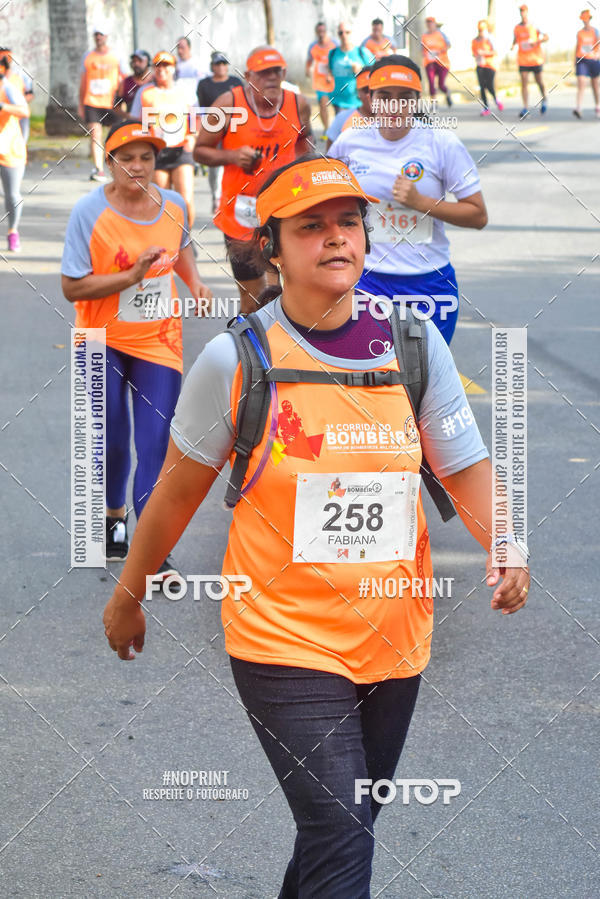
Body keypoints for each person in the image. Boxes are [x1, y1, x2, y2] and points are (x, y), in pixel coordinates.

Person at [102, 154, 530, 898]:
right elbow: (175, 492)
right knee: (339, 823)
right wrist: (129, 591)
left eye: (348, 222)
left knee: (346, 822)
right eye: (311, 227)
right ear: (274, 246)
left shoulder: (412, 345)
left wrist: (505, 540)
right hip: (281, 636)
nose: (336, 239)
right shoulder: (233, 358)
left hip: (393, 635)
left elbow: (463, 466)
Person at [61, 120, 212, 571]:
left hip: (158, 342)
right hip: (99, 341)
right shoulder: (88, 213)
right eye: (126, 158)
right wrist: (129, 277)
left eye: (146, 157)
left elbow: (181, 248)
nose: (138, 166)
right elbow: (72, 288)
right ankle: (112, 518)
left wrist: (196, 282)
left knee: (156, 443)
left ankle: (152, 550)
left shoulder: (175, 205)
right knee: (109, 441)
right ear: (109, 164)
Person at [330, 55, 488, 345]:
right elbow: (327, 204)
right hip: (367, 279)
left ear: (417, 100)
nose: (394, 106)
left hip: (429, 281)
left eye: (405, 97)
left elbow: (478, 215)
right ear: (370, 98)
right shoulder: (349, 142)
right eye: (384, 96)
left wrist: (421, 202)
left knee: (424, 379)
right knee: (370, 377)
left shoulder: (441, 144)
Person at [193, 46, 313, 313]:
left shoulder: (298, 104)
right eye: (264, 72)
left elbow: (305, 142)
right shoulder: (227, 105)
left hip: (284, 210)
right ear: (248, 76)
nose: (272, 77)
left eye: (277, 71)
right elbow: (200, 151)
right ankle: (250, 351)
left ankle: (285, 350)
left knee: (285, 292)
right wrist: (233, 156)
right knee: (252, 299)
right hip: (241, 215)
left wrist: (304, 174)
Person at [131, 52, 196, 230]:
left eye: (166, 65)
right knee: (162, 199)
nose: (161, 70)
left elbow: (195, 118)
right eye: (157, 66)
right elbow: (135, 122)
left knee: (185, 199)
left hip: (181, 149)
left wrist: (192, 136)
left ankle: (185, 239)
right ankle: (167, 241)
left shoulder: (185, 91)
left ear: (173, 68)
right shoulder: (145, 93)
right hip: (157, 151)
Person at [78, 23, 126, 182]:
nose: (99, 37)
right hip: (92, 101)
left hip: (112, 102)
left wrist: (123, 100)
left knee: (114, 136)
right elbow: (83, 81)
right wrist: (80, 104)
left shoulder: (116, 56)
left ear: (106, 37)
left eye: (101, 34)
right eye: (96, 34)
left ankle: (114, 166)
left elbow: (124, 78)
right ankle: (99, 169)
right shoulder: (87, 56)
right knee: (95, 134)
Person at [196, 51, 243, 213]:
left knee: (234, 163)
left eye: (224, 63)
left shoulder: (236, 82)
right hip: (214, 128)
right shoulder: (205, 84)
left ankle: (232, 196)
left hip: (235, 127)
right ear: (212, 66)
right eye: (218, 64)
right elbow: (203, 108)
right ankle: (216, 196)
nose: (221, 67)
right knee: (215, 166)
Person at [0, 51, 29, 252]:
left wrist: (2, 106)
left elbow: (24, 111)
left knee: (12, 195)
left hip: (9, 148)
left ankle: (13, 231)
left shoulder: (7, 87)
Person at [511, 3, 548, 118]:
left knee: (539, 81)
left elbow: (546, 37)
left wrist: (536, 42)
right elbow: (515, 40)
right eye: (521, 11)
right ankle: (525, 107)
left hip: (535, 59)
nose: (522, 13)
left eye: (524, 11)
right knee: (524, 82)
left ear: (527, 12)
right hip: (523, 59)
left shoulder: (534, 25)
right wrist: (512, 46)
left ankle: (544, 98)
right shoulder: (517, 28)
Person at [328, 23, 374, 114]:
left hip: (358, 102)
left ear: (351, 33)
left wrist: (361, 69)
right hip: (339, 102)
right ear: (338, 34)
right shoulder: (332, 53)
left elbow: (374, 71)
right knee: (342, 128)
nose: (344, 35)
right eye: (341, 33)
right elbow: (330, 71)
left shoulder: (362, 52)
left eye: (347, 32)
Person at [325, 66, 372, 149]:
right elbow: (329, 155)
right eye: (366, 90)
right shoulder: (343, 118)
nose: (370, 95)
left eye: (375, 90)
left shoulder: (392, 122)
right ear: (358, 92)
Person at [305, 22, 338, 131]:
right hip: (320, 80)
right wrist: (307, 70)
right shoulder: (313, 46)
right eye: (319, 32)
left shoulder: (334, 44)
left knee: (337, 105)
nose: (321, 34)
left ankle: (338, 128)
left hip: (334, 80)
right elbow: (309, 60)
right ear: (316, 32)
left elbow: (339, 60)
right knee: (323, 104)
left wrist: (331, 73)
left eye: (323, 31)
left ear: (326, 31)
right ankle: (326, 129)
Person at [0, 48, 34, 142]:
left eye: (7, 56)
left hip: (17, 115)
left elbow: (29, 96)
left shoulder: (20, 75)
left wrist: (18, 102)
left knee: (19, 140)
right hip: (3, 119)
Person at [472, 19, 503, 115]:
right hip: (480, 65)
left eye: (483, 29)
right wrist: (477, 55)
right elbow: (473, 53)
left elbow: (495, 52)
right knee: (482, 86)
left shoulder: (490, 39)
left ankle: (496, 99)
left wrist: (484, 53)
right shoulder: (475, 41)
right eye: (479, 29)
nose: (481, 31)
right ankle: (486, 107)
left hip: (490, 65)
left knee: (489, 85)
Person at [573, 9, 600, 119]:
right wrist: (575, 61)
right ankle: (578, 108)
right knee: (581, 82)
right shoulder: (579, 33)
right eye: (583, 19)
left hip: (593, 60)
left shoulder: (595, 31)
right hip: (582, 60)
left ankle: (598, 106)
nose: (585, 21)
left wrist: (597, 53)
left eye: (586, 19)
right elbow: (577, 46)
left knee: (595, 84)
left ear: (589, 19)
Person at [421, 16, 452, 106]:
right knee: (431, 83)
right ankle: (434, 103)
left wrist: (440, 51)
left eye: (431, 23)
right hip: (430, 62)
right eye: (428, 23)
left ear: (434, 24)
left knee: (441, 85)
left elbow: (449, 45)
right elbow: (422, 49)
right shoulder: (424, 36)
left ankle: (447, 93)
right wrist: (426, 54)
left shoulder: (441, 34)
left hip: (442, 62)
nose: (429, 25)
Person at [174, 36, 206, 107]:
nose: (179, 51)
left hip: (195, 105)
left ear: (189, 47)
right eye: (178, 48)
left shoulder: (199, 63)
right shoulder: (173, 64)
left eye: (182, 48)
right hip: (179, 105)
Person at [117, 49, 152, 113]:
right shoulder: (125, 83)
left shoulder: (155, 81)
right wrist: (128, 117)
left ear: (148, 62)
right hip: (133, 122)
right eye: (134, 61)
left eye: (140, 61)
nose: (136, 64)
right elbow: (116, 106)